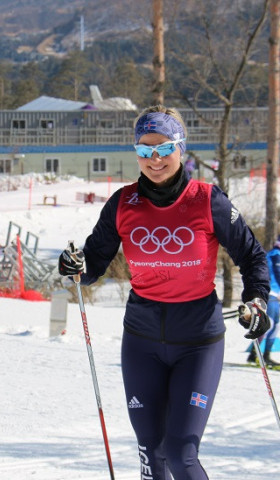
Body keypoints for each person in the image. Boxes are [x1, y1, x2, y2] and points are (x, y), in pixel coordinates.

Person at [58, 105, 271, 480]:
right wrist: (76, 266)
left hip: (198, 341)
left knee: (180, 452)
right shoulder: (123, 204)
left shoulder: (207, 200)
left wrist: (256, 300)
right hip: (142, 340)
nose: (154, 159)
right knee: (151, 454)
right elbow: (92, 265)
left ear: (181, 148)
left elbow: (253, 257)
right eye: (144, 150)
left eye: (163, 148)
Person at [247, 236, 280, 367]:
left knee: (276, 325)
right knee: (269, 324)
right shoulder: (275, 254)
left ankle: (266, 355)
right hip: (272, 293)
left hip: (276, 295)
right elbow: (278, 274)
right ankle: (254, 355)